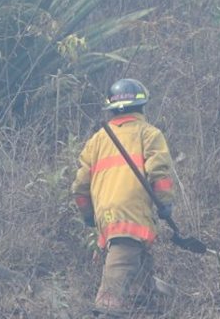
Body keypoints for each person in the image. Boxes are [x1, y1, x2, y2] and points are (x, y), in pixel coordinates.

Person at [72, 78, 175, 316]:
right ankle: (107, 306)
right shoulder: (149, 134)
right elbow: (159, 172)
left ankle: (144, 300)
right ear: (142, 107)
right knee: (121, 259)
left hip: (103, 210)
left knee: (138, 257)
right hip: (132, 208)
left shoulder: (97, 139)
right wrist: (165, 202)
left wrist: (88, 215)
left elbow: (79, 186)